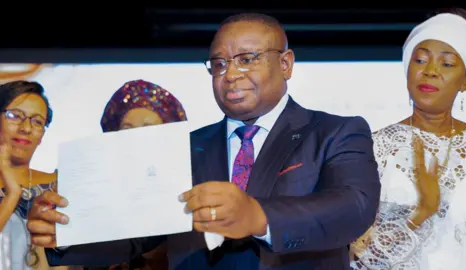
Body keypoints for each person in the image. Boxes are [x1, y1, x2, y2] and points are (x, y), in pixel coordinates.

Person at [26, 13, 381, 270]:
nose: (231, 74)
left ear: (286, 63)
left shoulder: (336, 131)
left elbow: (354, 207)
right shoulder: (180, 147)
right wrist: (67, 234)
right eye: (219, 63)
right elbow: (136, 234)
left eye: (247, 59)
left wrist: (258, 216)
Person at [350, 8, 466, 270]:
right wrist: (420, 214)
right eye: (420, 60)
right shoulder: (371, 150)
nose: (430, 71)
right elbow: (357, 259)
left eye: (447, 64)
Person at [98, 79, 187, 270]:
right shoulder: (97, 193)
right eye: (127, 129)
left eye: (148, 129)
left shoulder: (187, 191)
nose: (136, 138)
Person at [0, 80, 68, 270]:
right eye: (15, 116)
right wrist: (12, 195)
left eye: (37, 121)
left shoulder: (57, 187)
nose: (26, 128)